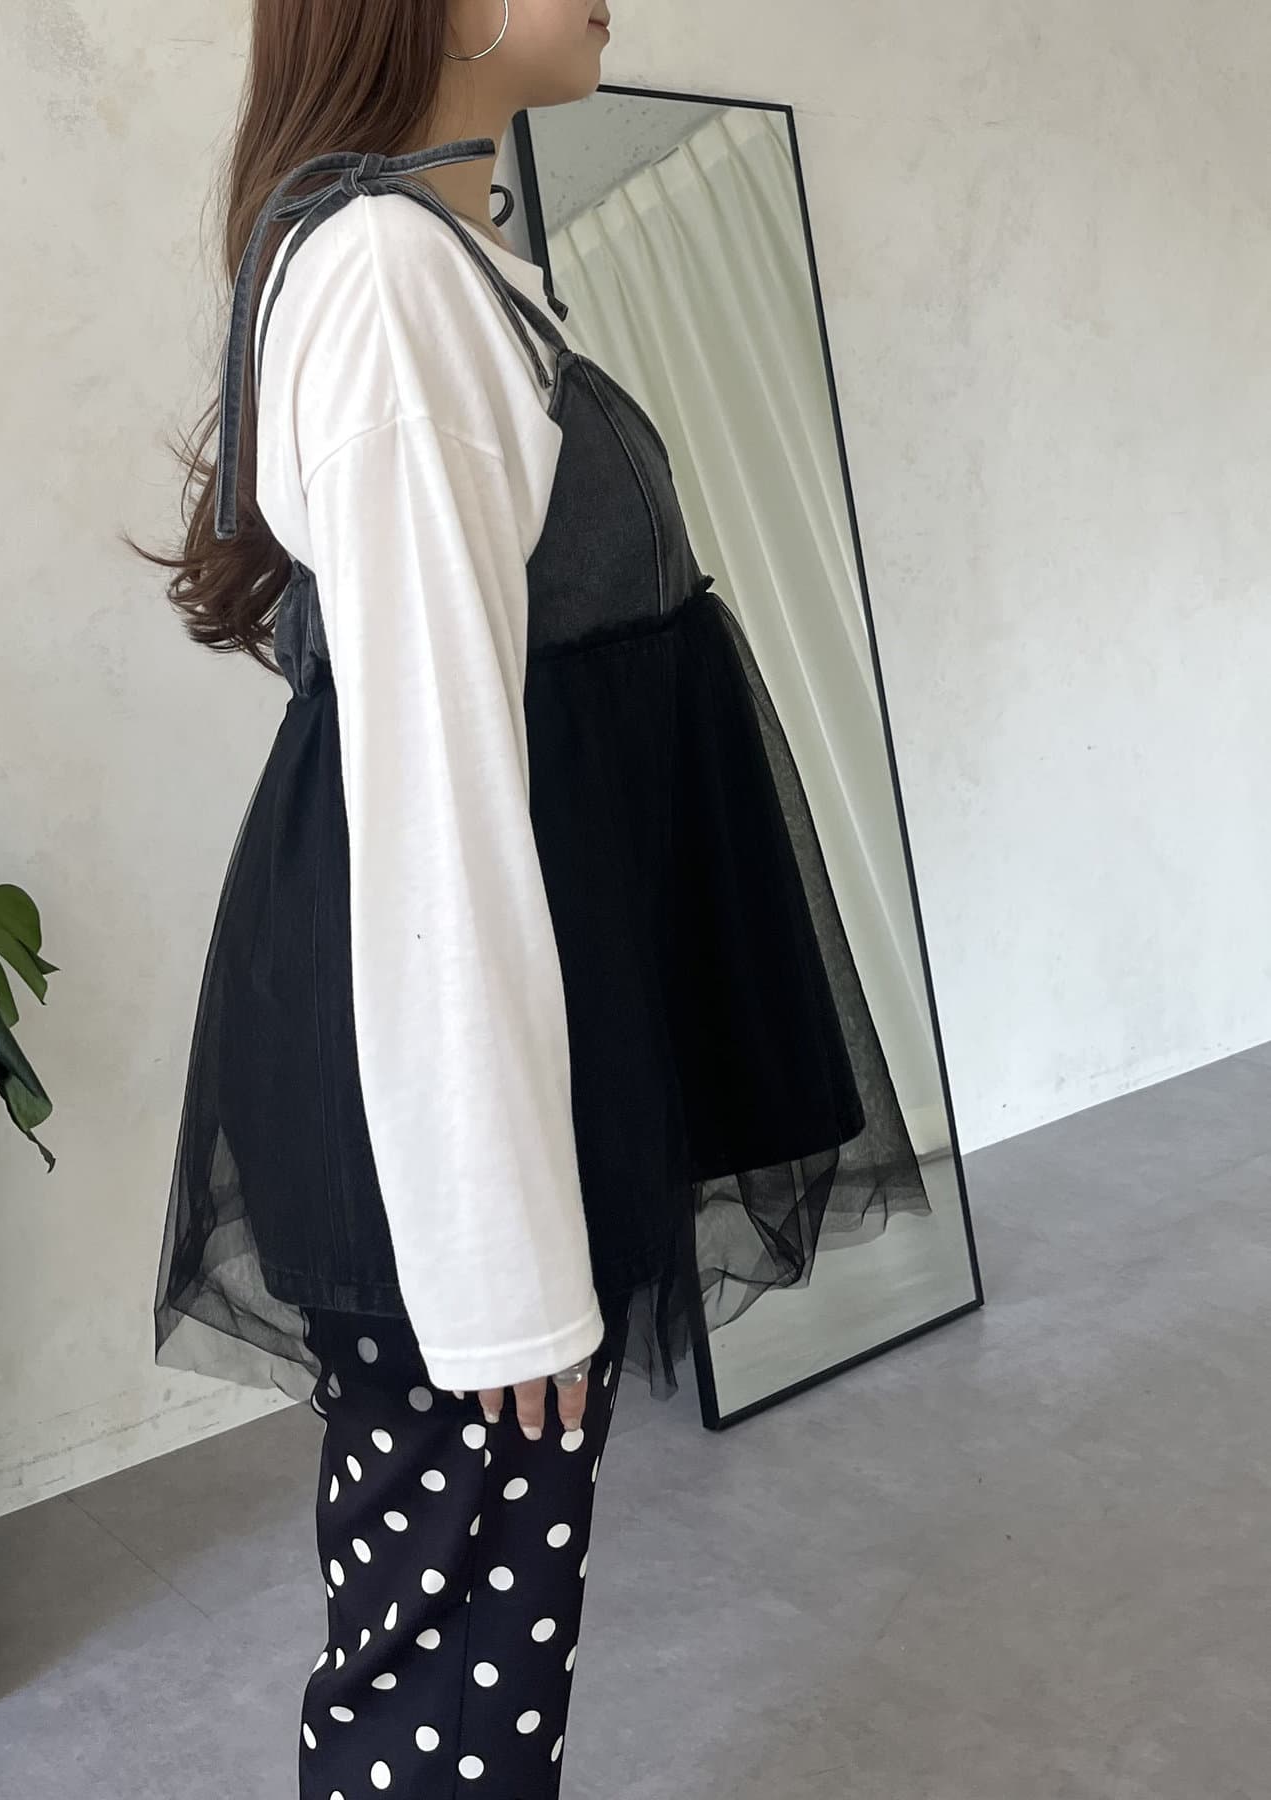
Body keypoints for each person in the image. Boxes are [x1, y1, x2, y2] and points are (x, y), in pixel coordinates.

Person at [134, 1, 924, 1792]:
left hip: (499, 1036)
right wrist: (497, 1259)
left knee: (477, 1625)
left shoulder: (442, 265)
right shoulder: (389, 280)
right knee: (451, 1660)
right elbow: (434, 785)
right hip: (440, 1077)